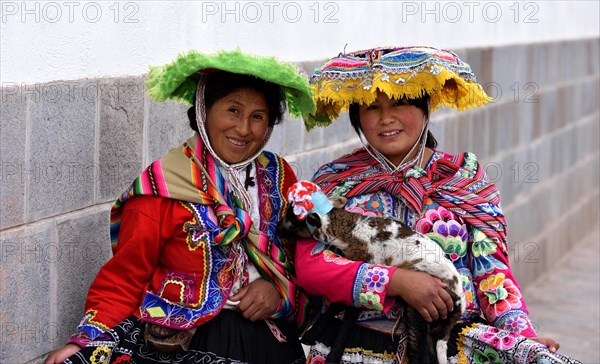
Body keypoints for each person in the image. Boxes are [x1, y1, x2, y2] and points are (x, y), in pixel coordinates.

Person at [295, 46, 582, 363]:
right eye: (372, 107)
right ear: (357, 117)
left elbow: (493, 274)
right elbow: (311, 265)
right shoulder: (333, 182)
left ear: (425, 106)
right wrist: (397, 283)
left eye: (401, 103)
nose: (386, 118)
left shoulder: (465, 179)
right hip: (357, 346)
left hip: (451, 345)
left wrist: (521, 337)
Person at [44, 49, 315, 364]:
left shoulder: (278, 175)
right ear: (203, 111)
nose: (243, 129)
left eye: (258, 116)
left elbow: (304, 252)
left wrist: (278, 290)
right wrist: (86, 340)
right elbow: (127, 275)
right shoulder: (164, 186)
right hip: (188, 344)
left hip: (271, 340)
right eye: (232, 110)